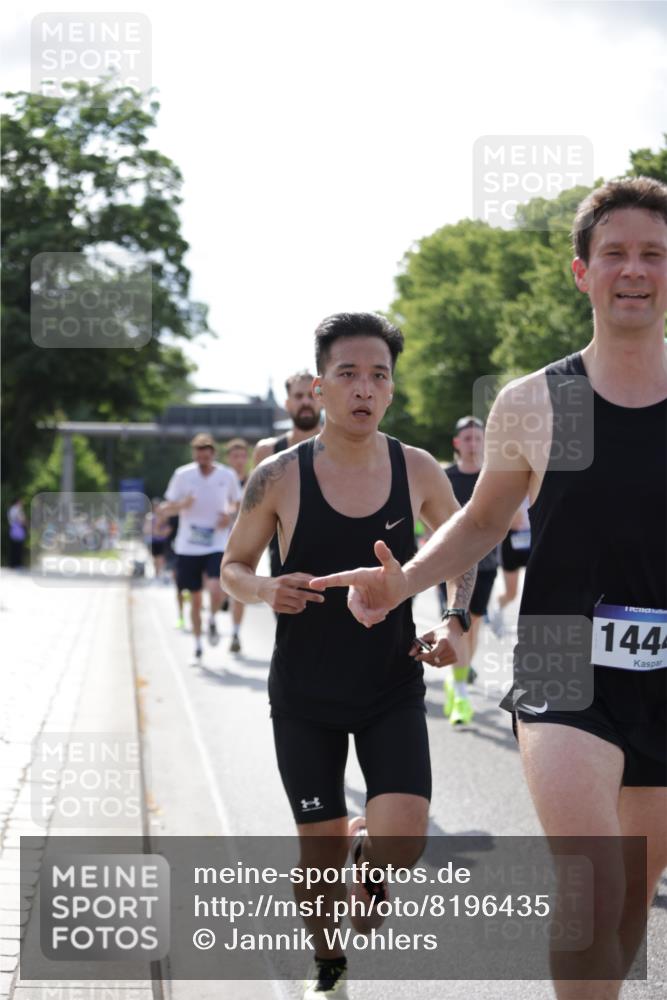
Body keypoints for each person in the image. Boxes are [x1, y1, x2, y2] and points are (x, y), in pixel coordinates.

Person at [310, 178, 667, 1000]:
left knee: (627, 911)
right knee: (591, 888)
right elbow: (480, 523)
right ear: (581, 272)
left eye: (652, 253)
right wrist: (405, 580)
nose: (633, 269)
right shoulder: (539, 401)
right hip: (559, 660)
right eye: (613, 252)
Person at [221, 312, 475, 999]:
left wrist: (455, 622)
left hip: (389, 684)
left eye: (379, 376)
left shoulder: (415, 468)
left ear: (391, 391)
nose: (364, 388)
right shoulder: (275, 476)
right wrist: (265, 588)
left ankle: (370, 853)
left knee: (403, 843)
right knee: (316, 848)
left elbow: (463, 550)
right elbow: (233, 568)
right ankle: (327, 967)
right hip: (303, 696)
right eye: (348, 375)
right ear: (319, 386)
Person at [439, 416, 499, 725]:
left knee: (473, 623)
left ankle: (457, 678)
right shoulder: (443, 476)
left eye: (479, 438)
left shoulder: (493, 477)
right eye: (468, 438)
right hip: (449, 564)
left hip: (487, 561)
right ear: (457, 443)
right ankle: (461, 691)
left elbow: (514, 518)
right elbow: (427, 516)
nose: (473, 443)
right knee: (457, 624)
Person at [162, 433, 242, 662]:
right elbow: (167, 507)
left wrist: (229, 515)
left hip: (216, 542)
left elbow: (237, 502)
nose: (203, 463)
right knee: (195, 599)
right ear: (194, 455)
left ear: (213, 455)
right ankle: (198, 645)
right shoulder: (183, 475)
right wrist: (182, 505)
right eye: (199, 458)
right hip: (188, 546)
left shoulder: (226, 475)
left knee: (216, 589)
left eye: (207, 458)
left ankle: (213, 619)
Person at [253, 369, 323, 579]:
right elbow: (253, 510)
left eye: (311, 396)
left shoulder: (344, 448)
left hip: (333, 545)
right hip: (284, 555)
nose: (305, 402)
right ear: (287, 404)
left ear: (322, 399)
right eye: (298, 396)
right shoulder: (267, 451)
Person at [488, 494, 532, 638]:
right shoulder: (513, 486)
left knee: (536, 589)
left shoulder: (541, 484)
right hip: (511, 542)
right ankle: (498, 609)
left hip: (533, 538)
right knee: (511, 593)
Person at [225, 438, 251, 653]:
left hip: (244, 540)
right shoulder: (221, 479)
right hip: (218, 541)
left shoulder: (254, 479)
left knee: (238, 591)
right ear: (228, 459)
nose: (240, 460)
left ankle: (235, 633)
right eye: (235, 456)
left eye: (243, 456)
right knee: (215, 587)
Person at [7, 498, 27, 568]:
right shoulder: (17, 509)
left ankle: (13, 564)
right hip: (17, 530)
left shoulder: (11, 509)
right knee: (18, 548)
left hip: (14, 530)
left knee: (14, 548)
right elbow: (21, 520)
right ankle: (17, 564)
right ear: (17, 502)